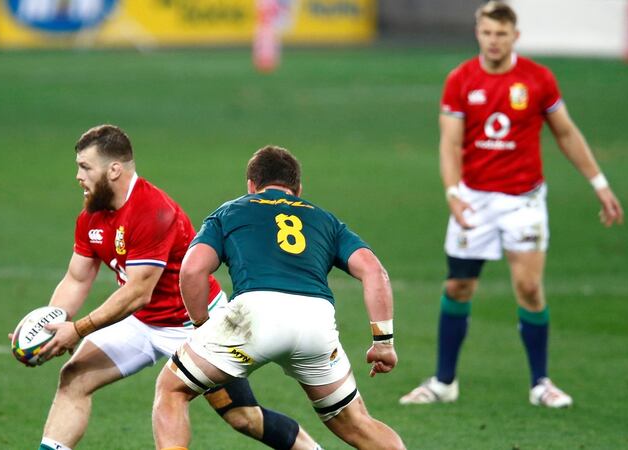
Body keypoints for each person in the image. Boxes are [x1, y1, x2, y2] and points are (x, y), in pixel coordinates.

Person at [30, 125, 322, 450]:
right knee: (75, 377)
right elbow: (78, 278)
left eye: (85, 167)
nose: (78, 176)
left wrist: (79, 328)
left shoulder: (152, 211)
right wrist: (48, 325)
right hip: (142, 321)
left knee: (242, 417)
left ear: (113, 170)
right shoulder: (92, 216)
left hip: (196, 324)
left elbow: (137, 291)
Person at [399, 1, 624, 408]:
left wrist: (599, 183)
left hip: (523, 201)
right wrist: (452, 193)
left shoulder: (538, 80)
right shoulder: (461, 80)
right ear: (477, 33)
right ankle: (444, 381)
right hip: (474, 198)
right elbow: (450, 143)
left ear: (515, 36)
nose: (494, 40)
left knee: (529, 287)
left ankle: (541, 383)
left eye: (501, 34)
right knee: (459, 285)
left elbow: (567, 133)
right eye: (487, 32)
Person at [152, 145, 406, 450]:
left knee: (172, 389)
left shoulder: (231, 211)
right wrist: (384, 343)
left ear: (250, 185)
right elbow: (375, 272)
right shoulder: (326, 220)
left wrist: (202, 325)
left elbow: (192, 270)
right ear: (298, 189)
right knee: (356, 423)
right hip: (316, 323)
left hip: (254, 316)